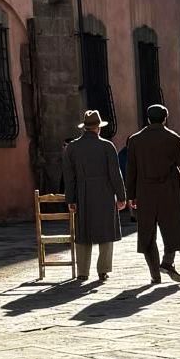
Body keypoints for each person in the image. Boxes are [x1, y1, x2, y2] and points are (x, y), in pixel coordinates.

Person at [125, 104, 180, 284]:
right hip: (169, 190)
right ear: (164, 118)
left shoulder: (135, 140)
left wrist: (131, 195)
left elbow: (131, 170)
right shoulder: (172, 137)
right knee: (173, 228)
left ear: (148, 118)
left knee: (147, 234)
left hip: (145, 192)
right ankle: (167, 262)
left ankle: (155, 275)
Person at [62, 110, 126, 283]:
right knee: (106, 231)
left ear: (85, 127)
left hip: (82, 193)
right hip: (105, 193)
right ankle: (103, 270)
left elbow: (69, 177)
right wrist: (121, 196)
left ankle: (83, 271)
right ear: (98, 128)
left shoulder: (72, 148)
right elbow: (115, 174)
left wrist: (71, 199)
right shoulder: (107, 146)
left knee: (83, 231)